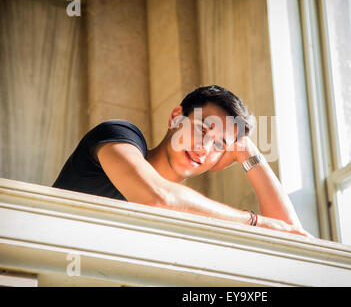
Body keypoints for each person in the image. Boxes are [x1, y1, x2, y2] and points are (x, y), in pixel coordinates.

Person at [53, 85, 312, 237]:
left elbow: (291, 235)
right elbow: (159, 198)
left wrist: (246, 151)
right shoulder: (120, 135)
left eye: (219, 144)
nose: (204, 148)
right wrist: (255, 221)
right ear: (176, 117)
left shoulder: (186, 212)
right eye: (202, 129)